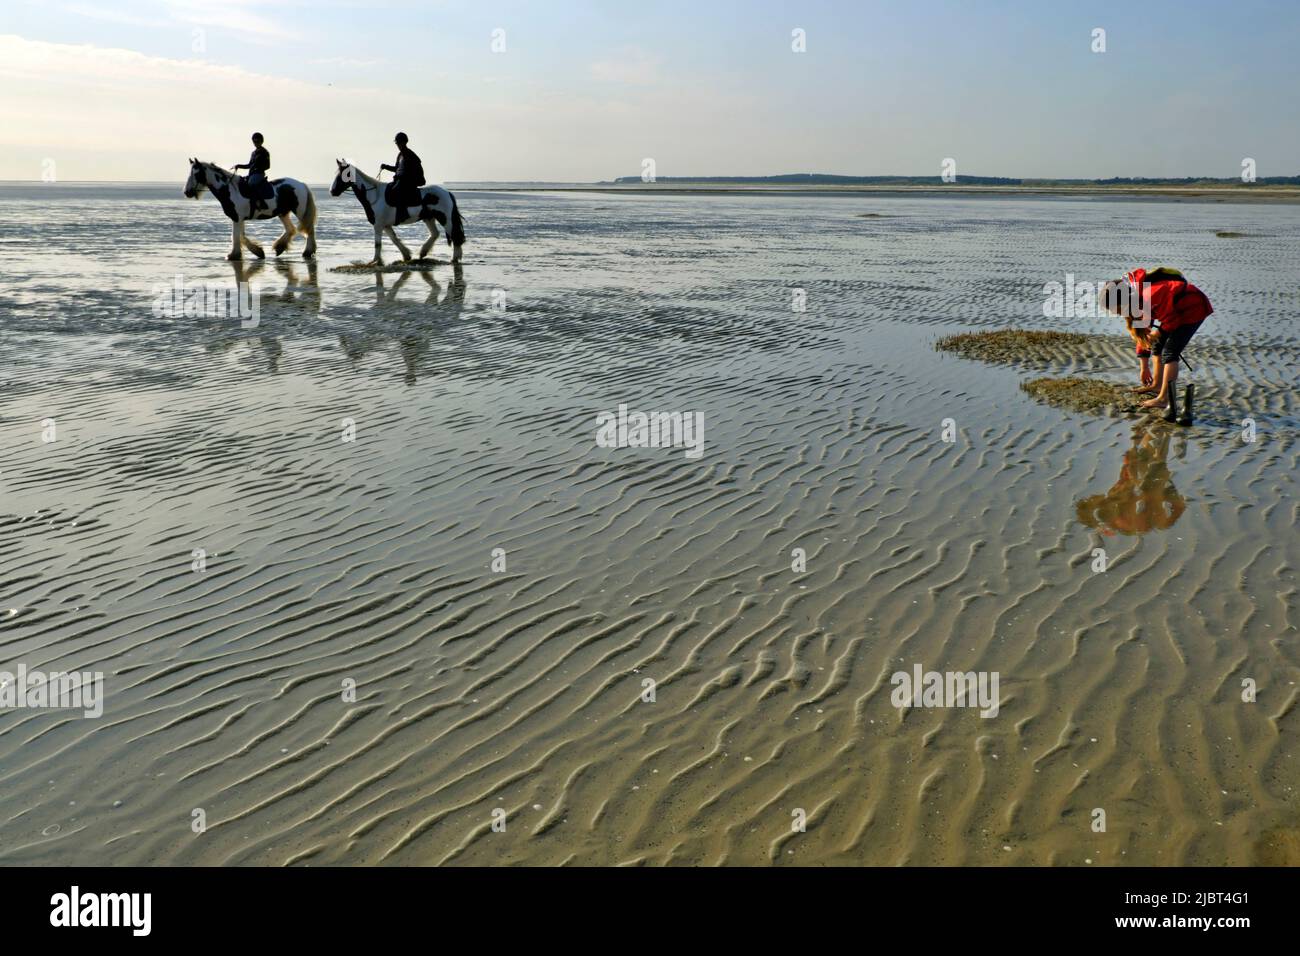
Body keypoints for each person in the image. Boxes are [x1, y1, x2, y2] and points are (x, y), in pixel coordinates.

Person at [1099, 267, 1212, 424]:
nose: (1116, 313)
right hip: (1175, 313)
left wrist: (1157, 334)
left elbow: (1173, 321)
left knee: (1169, 353)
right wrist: (1144, 367)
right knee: (1157, 346)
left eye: (1115, 309)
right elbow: (1142, 334)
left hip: (1193, 309)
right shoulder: (1136, 300)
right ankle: (1157, 385)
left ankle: (1164, 399)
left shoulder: (1149, 295)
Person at [380, 132, 425, 214]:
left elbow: (418, 170)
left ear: (404, 142)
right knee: (388, 188)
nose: (398, 145)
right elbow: (397, 169)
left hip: (410, 181)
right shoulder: (400, 155)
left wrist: (406, 178)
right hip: (400, 180)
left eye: (399, 143)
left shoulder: (410, 154)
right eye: (397, 143)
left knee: (397, 190)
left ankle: (402, 213)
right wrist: (386, 167)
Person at [233, 132, 272, 197]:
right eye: (254, 141)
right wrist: (238, 166)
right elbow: (249, 165)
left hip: (259, 174)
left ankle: (259, 202)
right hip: (252, 174)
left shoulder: (265, 152)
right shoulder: (253, 153)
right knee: (241, 182)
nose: (256, 143)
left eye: (257, 141)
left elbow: (268, 166)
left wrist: (258, 168)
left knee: (251, 184)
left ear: (261, 141)